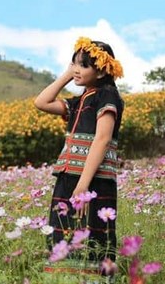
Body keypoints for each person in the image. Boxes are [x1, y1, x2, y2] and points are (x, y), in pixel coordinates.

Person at [34, 37, 124, 275]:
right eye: (74, 63)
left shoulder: (107, 96)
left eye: (84, 65)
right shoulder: (77, 102)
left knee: (94, 233)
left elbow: (102, 138)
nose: (77, 69)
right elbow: (41, 102)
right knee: (62, 230)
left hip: (93, 178)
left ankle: (95, 279)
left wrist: (84, 183)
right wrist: (67, 74)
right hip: (67, 176)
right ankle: (65, 278)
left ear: (103, 70)